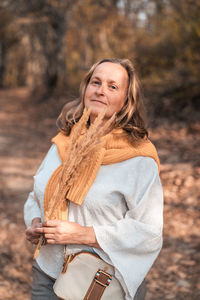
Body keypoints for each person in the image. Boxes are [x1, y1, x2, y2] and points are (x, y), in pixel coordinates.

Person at [24, 58, 163, 300]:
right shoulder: (64, 142)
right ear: (86, 88)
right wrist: (37, 221)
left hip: (101, 282)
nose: (100, 91)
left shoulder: (138, 157)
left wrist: (82, 234)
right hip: (47, 274)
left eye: (112, 86)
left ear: (126, 101)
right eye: (95, 82)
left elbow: (149, 232)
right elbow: (37, 193)